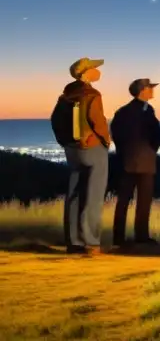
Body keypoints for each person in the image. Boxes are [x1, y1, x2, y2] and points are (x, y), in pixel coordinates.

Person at [50, 57, 111, 255]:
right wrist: (105, 140)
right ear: (86, 72)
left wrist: (64, 141)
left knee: (74, 193)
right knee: (93, 195)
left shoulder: (66, 95)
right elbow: (97, 120)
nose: (98, 71)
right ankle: (91, 242)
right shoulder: (91, 93)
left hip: (72, 148)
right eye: (95, 68)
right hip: (92, 147)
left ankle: (73, 242)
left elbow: (54, 120)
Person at [110, 78, 160, 248]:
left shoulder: (122, 112)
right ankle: (141, 236)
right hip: (145, 159)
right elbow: (158, 135)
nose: (153, 90)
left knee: (123, 199)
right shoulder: (147, 111)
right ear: (143, 90)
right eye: (150, 88)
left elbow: (116, 134)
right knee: (143, 200)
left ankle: (118, 237)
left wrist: (123, 151)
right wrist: (151, 149)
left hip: (126, 159)